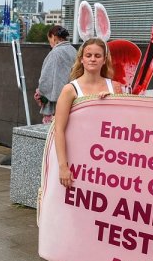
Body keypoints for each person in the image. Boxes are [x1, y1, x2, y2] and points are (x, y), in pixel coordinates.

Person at [51, 38, 126, 189]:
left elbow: (123, 125)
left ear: (104, 60)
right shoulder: (70, 89)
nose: (93, 59)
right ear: (81, 59)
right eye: (88, 55)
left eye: (97, 56)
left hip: (107, 159)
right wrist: (63, 167)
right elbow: (59, 130)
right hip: (77, 158)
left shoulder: (115, 87)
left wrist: (112, 101)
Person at [35, 25, 77, 125]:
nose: (50, 43)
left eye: (49, 39)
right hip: (73, 100)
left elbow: (46, 79)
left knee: (52, 135)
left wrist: (40, 92)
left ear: (53, 37)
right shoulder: (74, 51)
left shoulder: (55, 53)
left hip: (55, 105)